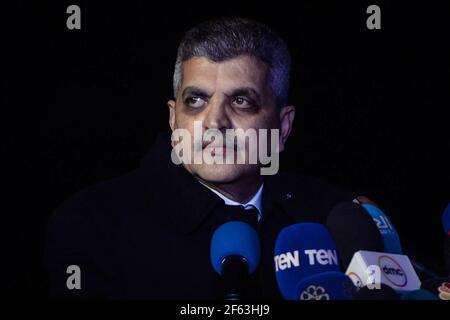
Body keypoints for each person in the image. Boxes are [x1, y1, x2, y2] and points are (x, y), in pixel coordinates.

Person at [45, 17, 359, 299]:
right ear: (173, 118)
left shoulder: (336, 216)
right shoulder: (93, 223)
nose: (214, 121)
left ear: (283, 126)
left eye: (241, 101)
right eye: (196, 100)